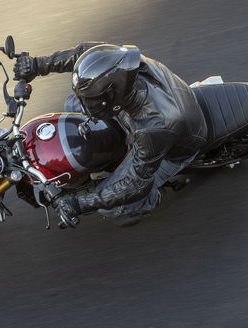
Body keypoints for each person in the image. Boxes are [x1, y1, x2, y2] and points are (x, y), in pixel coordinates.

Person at [13, 42, 208, 227]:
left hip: (176, 147)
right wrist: (37, 65)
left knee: (115, 206)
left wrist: (79, 203)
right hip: (145, 114)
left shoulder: (154, 126)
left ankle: (153, 197)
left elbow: (133, 182)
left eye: (92, 101)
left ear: (113, 97)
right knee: (72, 104)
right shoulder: (120, 62)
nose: (85, 104)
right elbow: (83, 54)